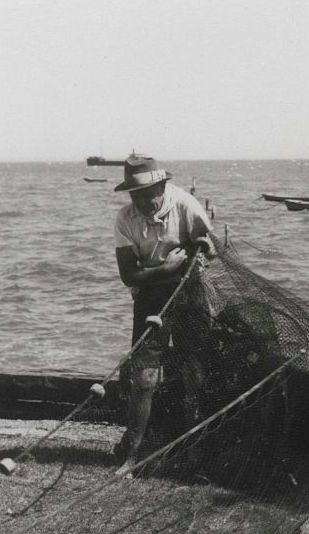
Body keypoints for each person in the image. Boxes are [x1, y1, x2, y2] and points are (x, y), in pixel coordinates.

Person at [112, 156, 214, 476]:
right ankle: (133, 455)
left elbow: (213, 248)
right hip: (149, 298)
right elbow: (129, 275)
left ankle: (197, 452)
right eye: (135, 196)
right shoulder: (125, 218)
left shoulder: (185, 204)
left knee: (195, 372)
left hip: (190, 291)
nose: (142, 202)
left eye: (148, 195)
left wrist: (205, 246)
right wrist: (166, 269)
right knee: (143, 377)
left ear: (162, 186)